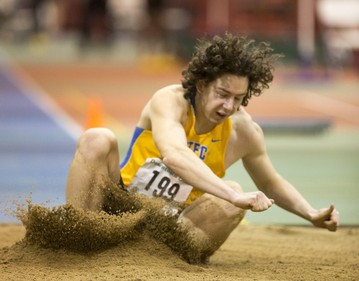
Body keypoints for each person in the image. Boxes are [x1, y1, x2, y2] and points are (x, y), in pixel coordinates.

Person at [66, 33, 339, 259]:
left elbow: (270, 181)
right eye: (223, 94)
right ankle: (78, 239)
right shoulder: (171, 101)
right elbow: (174, 154)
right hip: (119, 205)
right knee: (96, 138)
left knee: (234, 193)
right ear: (202, 84)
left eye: (239, 98)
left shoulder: (244, 131)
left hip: (173, 227)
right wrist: (231, 195)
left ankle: (163, 261)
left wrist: (310, 213)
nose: (229, 106)